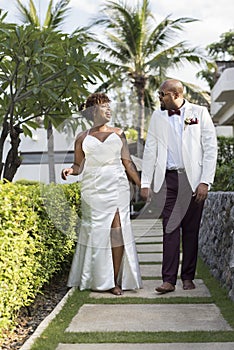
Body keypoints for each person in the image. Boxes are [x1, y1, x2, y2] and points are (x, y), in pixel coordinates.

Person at [140, 79, 217, 294]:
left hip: (193, 180)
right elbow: (150, 150)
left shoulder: (200, 113)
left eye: (162, 94)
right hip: (169, 180)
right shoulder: (157, 116)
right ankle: (168, 280)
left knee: (191, 230)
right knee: (170, 228)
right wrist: (145, 182)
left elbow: (210, 148)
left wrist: (205, 181)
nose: (160, 98)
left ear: (175, 94)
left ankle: (188, 277)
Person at [61, 92, 142, 295]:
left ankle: (114, 280)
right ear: (92, 111)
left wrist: (141, 185)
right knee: (97, 232)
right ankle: (94, 276)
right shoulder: (82, 137)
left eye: (109, 105)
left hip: (117, 186)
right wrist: (70, 170)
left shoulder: (118, 133)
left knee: (117, 229)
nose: (108, 109)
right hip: (93, 188)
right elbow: (78, 165)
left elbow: (127, 162)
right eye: (103, 106)